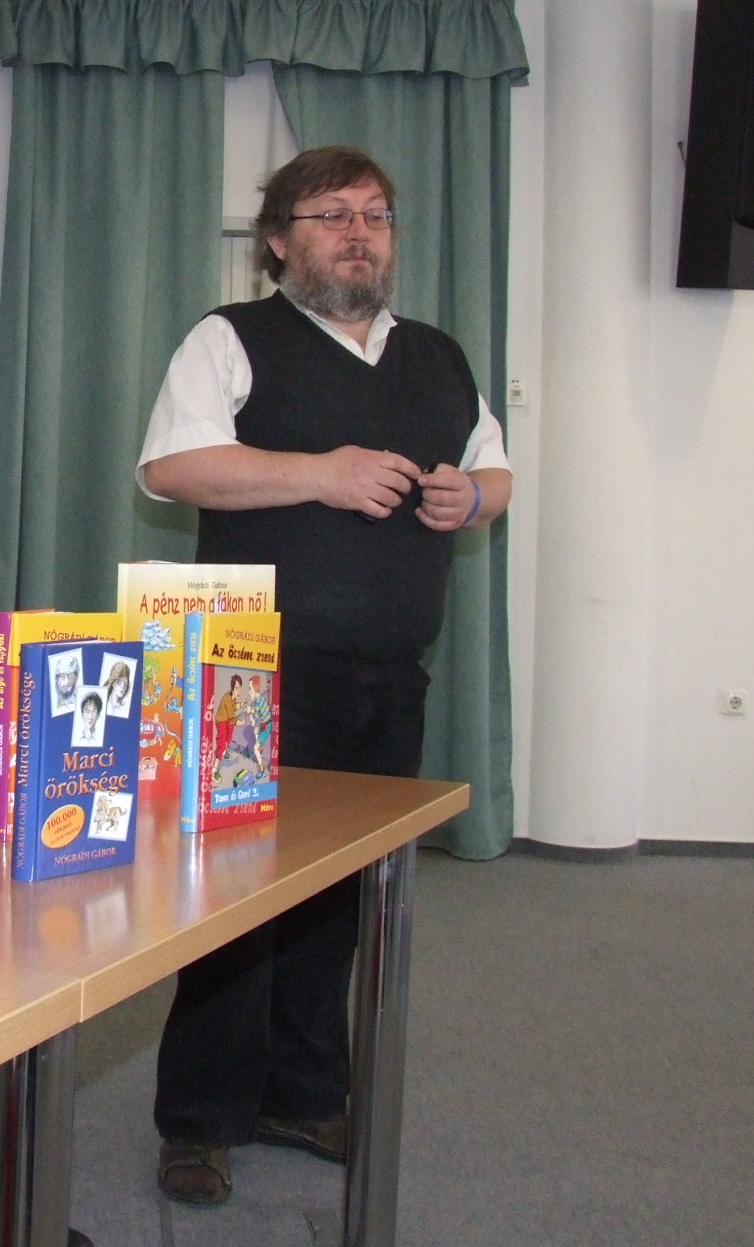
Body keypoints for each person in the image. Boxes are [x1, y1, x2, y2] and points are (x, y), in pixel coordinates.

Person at [138, 146, 512, 1207]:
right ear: (277, 239)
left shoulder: (438, 356)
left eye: (376, 215)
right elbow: (170, 467)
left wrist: (472, 500)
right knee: (231, 906)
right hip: (243, 673)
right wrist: (321, 475)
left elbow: (493, 467)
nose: (359, 232)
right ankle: (199, 1118)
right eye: (332, 214)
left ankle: (302, 1095)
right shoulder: (228, 339)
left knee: (339, 902)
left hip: (388, 676)